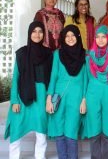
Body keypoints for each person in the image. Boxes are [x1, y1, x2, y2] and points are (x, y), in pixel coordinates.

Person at [5, 21, 53, 159]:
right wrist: (14, 100)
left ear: (44, 34)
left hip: (41, 96)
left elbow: (51, 78)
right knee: (17, 130)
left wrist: (49, 99)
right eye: (34, 31)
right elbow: (15, 79)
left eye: (40, 31)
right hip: (22, 96)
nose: (37, 34)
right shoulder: (21, 53)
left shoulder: (49, 54)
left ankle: (40, 157)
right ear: (29, 33)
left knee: (41, 133)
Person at [46, 25, 87, 159]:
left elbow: (86, 80)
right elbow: (53, 76)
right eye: (67, 36)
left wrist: (84, 100)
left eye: (73, 35)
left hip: (76, 98)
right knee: (59, 131)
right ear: (63, 38)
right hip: (59, 97)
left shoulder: (85, 55)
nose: (70, 38)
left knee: (71, 131)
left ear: (78, 36)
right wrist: (49, 98)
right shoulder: (58, 54)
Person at [82, 25, 108, 159]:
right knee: (94, 126)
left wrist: (107, 83)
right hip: (93, 94)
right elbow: (87, 76)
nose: (100, 40)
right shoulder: (89, 56)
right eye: (97, 37)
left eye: (103, 37)